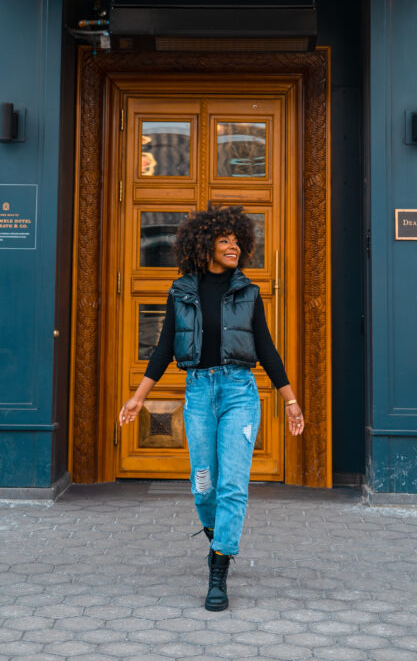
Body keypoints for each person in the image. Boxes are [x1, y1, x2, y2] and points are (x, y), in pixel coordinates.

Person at [119, 202, 304, 612]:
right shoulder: (182, 292)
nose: (233, 247)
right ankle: (218, 539)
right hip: (199, 393)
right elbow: (164, 346)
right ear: (205, 244)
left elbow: (267, 349)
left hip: (239, 392)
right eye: (225, 240)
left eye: (237, 240)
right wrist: (139, 396)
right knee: (204, 485)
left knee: (233, 485)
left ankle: (218, 570)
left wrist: (290, 400)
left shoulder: (248, 293)